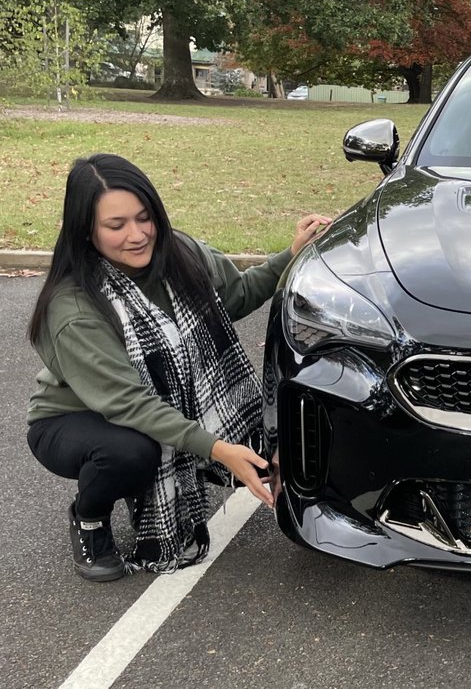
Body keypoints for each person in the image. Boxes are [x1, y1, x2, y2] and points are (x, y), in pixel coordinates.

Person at [25, 154, 330, 582]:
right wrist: (219, 449)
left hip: (151, 403)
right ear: (86, 230)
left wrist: (291, 254)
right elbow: (130, 403)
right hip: (75, 418)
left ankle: (149, 477)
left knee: (271, 442)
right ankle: (89, 519)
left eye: (144, 218)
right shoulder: (73, 306)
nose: (137, 235)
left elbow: (237, 295)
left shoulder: (181, 253)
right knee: (130, 453)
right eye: (116, 225)